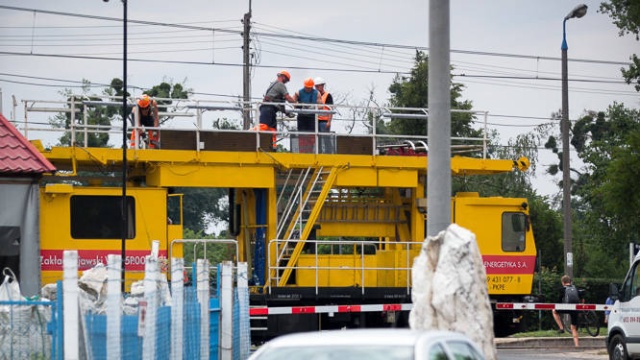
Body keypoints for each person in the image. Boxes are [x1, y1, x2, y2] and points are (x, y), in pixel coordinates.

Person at [256, 70, 295, 150]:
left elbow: (281, 104)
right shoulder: (280, 85)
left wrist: (287, 113)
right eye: (286, 80)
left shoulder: (274, 84)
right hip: (268, 108)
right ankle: (249, 134)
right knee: (264, 126)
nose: (286, 82)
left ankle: (273, 146)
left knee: (272, 129)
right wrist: (297, 104)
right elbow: (288, 97)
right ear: (283, 77)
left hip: (271, 109)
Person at [293, 77, 322, 153]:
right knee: (302, 136)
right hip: (302, 117)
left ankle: (311, 151)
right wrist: (300, 105)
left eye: (309, 87)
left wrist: (313, 107)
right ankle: (302, 152)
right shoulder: (299, 92)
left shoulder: (316, 93)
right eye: (306, 87)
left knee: (312, 136)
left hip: (312, 117)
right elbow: (293, 103)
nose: (308, 89)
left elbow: (321, 105)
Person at [552, 275, 579, 347]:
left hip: (566, 307)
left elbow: (559, 300)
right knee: (573, 328)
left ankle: (561, 328)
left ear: (563, 282)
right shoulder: (575, 288)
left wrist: (557, 306)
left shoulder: (562, 289)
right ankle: (577, 345)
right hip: (575, 309)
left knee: (554, 311)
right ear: (570, 282)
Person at [314, 77, 334, 154]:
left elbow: (330, 109)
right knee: (317, 138)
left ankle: (328, 154)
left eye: (318, 86)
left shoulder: (327, 95)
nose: (317, 88)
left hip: (324, 121)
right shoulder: (315, 96)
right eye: (316, 86)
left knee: (326, 138)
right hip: (316, 120)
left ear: (322, 86)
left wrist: (329, 121)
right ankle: (318, 154)